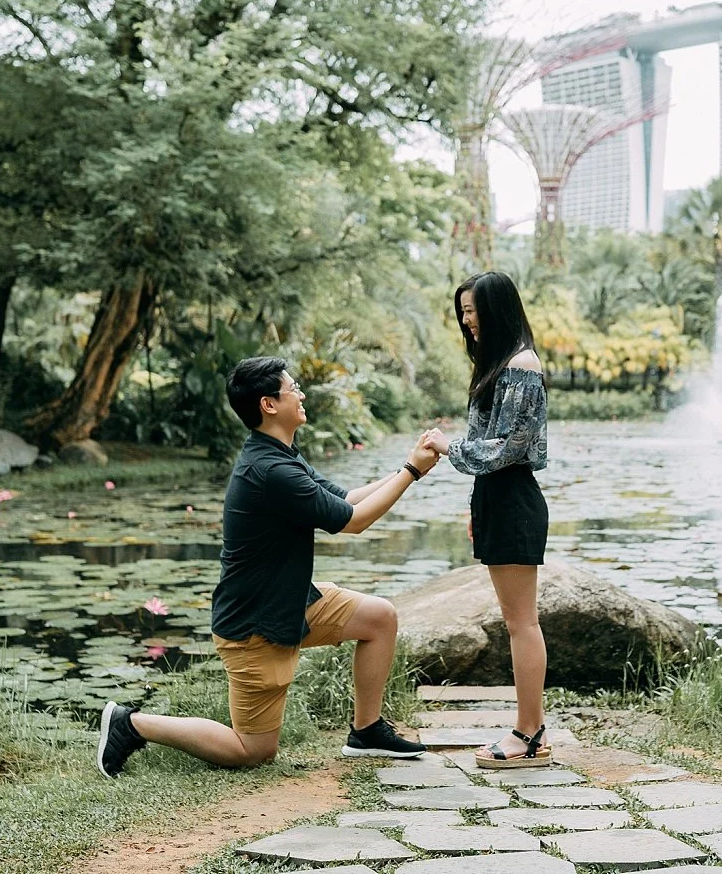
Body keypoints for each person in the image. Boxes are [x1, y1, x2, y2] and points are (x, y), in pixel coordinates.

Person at [96, 356, 442, 777]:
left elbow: (346, 498)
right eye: (293, 387)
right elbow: (354, 523)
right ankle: (131, 723)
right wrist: (411, 471)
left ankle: (366, 731)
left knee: (379, 618)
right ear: (268, 405)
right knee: (253, 750)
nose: (302, 393)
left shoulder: (279, 454)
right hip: (254, 624)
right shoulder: (270, 469)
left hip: (293, 601)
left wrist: (408, 467)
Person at [423, 271, 551, 769]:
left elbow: (507, 449)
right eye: (462, 313)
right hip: (498, 499)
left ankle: (529, 733)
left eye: (472, 311)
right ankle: (529, 727)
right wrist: (479, 508)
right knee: (517, 621)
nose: (467, 321)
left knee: (523, 624)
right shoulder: (501, 363)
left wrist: (446, 445)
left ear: (496, 309)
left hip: (514, 497)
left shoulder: (521, 365)